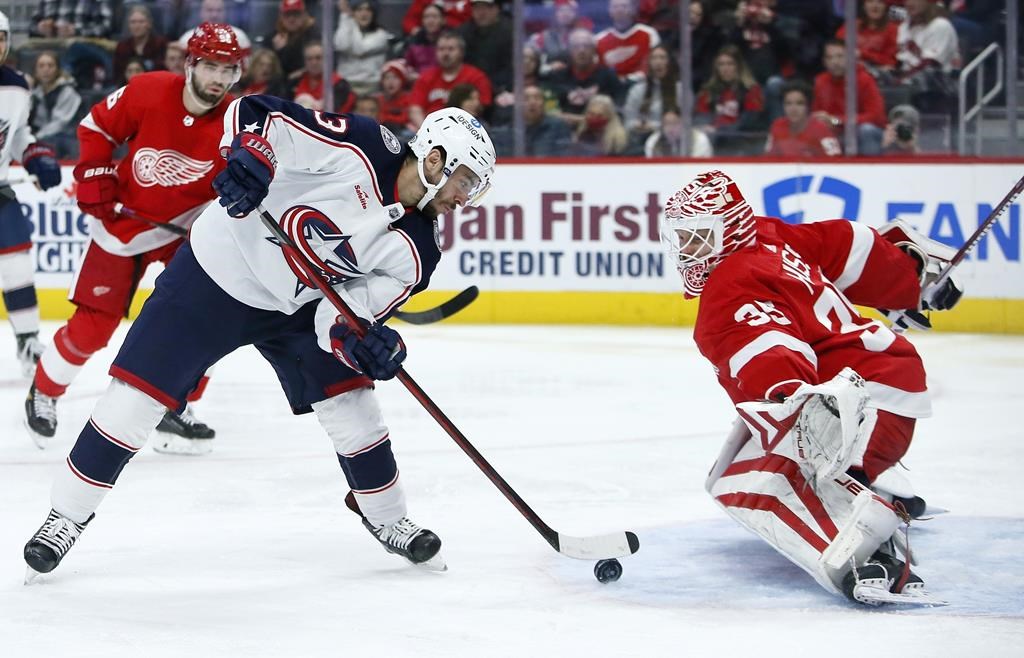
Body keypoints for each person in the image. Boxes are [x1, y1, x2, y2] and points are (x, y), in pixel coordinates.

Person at [22, 103, 496, 578]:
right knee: (135, 399)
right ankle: (65, 516)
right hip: (216, 272)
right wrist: (255, 156)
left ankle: (389, 518)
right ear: (435, 159)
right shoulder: (362, 144)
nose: (466, 198)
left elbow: (346, 313)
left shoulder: (421, 250)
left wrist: (357, 344)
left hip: (297, 308)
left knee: (354, 405)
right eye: (467, 181)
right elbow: (258, 114)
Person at [659, 169, 962, 605]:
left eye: (698, 237)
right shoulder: (768, 235)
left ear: (729, 230)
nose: (688, 250)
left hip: (860, 399)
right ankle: (875, 479)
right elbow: (847, 246)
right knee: (823, 446)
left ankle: (866, 539)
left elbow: (768, 348)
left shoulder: (729, 285)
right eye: (683, 238)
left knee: (782, 461)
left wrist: (788, 398)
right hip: (893, 383)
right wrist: (910, 281)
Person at [24, 23, 243, 452]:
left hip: (189, 230)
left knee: (209, 321)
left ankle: (174, 407)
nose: (219, 79)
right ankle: (44, 391)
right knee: (94, 327)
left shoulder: (238, 119)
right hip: (126, 223)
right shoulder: (147, 90)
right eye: (212, 67)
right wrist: (93, 171)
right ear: (190, 64)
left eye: (229, 70)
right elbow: (96, 128)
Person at [0, 11, 63, 377]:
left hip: (1, 191)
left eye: (2, 38)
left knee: (18, 264)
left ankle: (27, 342)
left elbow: (18, 133)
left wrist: (35, 156)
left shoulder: (16, 86)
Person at [812, 40, 887, 156]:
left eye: (840, 56)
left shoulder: (864, 80)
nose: (835, 62)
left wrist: (837, 120)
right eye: (829, 58)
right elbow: (818, 115)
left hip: (861, 132)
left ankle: (870, 171)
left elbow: (875, 116)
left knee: (866, 130)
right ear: (824, 62)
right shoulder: (820, 82)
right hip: (835, 133)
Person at [408, 30, 492, 128]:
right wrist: (427, 130)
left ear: (461, 52)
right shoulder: (425, 77)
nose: (446, 53)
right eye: (441, 49)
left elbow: (482, 106)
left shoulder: (476, 77)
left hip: (466, 128)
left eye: (451, 49)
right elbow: (415, 109)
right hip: (431, 129)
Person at [693, 45, 766, 156]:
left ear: (738, 66)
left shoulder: (751, 91)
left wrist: (720, 130)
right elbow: (700, 118)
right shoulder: (707, 92)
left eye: (730, 64)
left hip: (740, 143)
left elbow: (748, 123)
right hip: (712, 143)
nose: (725, 69)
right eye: (721, 64)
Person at [29, 50, 83, 159]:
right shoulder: (34, 94)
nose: (46, 69)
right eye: (41, 66)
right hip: (44, 138)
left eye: (50, 65)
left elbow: (59, 124)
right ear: (35, 71)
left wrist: (35, 137)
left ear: (57, 70)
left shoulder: (68, 91)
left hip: (68, 139)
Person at [334, 0, 393, 97]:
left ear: (373, 13)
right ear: (353, 12)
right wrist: (346, 16)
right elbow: (341, 45)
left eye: (368, 10)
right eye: (359, 9)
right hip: (346, 85)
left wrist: (348, 17)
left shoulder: (381, 35)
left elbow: (359, 50)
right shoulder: (346, 25)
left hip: (372, 87)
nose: (364, 13)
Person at [766, 82, 841, 158]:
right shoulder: (776, 126)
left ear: (808, 106)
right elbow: (768, 159)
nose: (793, 109)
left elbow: (836, 161)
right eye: (788, 103)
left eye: (799, 103)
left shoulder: (822, 129)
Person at [595, 0, 660, 83]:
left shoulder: (649, 34)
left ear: (633, 9)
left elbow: (656, 63)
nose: (620, 10)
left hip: (643, 83)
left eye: (624, 6)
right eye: (615, 6)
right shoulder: (598, 39)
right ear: (609, 10)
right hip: (611, 87)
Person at [835, 0, 898, 80]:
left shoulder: (892, 29)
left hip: (878, 77)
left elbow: (890, 62)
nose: (875, 6)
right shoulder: (852, 25)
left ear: (886, 6)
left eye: (880, 2)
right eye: (870, 1)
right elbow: (837, 48)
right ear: (864, 5)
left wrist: (862, 53)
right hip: (849, 73)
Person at [288, 41, 356, 113]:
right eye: (309, 59)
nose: (314, 62)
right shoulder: (295, 82)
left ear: (327, 59)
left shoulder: (340, 84)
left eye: (318, 58)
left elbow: (335, 112)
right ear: (304, 61)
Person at [113, 4, 169, 86]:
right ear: (128, 25)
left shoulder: (161, 44)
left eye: (141, 22)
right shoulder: (122, 47)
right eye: (133, 22)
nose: (137, 26)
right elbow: (118, 75)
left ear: (149, 24)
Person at [264, 0, 318, 78]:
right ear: (281, 16)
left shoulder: (313, 35)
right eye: (287, 14)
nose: (291, 19)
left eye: (296, 14)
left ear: (304, 15)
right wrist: (278, 51)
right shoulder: (273, 37)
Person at [643, 108, 713, 157]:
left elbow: (698, 167)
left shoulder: (699, 139)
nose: (670, 128)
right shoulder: (653, 141)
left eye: (675, 123)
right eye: (666, 123)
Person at [403, 2, 445, 75]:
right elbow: (405, 65)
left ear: (443, 20)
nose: (430, 21)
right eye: (426, 17)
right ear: (422, 21)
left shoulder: (449, 41)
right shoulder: (412, 41)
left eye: (434, 17)